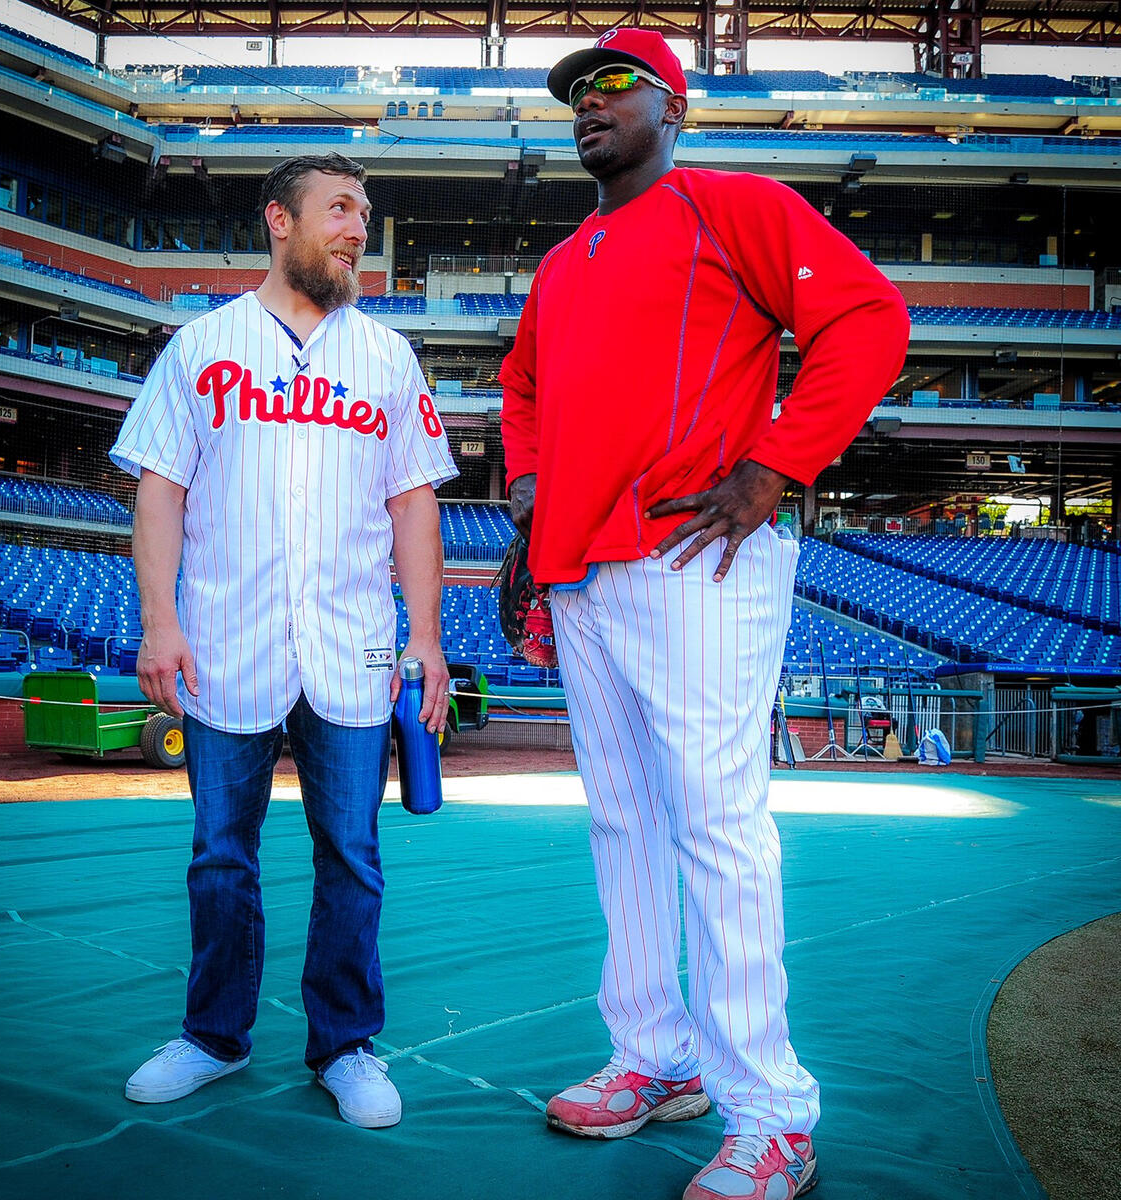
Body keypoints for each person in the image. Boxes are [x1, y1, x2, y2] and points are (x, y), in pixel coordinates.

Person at [499, 29, 910, 1200]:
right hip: (582, 570)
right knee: (624, 825)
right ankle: (654, 1054)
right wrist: (527, 497)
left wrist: (775, 465)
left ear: (671, 107)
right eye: (578, 91)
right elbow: (521, 389)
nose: (590, 103)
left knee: (716, 828)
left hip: (699, 559)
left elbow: (869, 319)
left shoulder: (735, 205)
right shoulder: (565, 257)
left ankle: (772, 1111)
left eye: (614, 84)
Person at [110, 152, 457, 1128]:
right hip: (226, 638)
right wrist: (160, 621)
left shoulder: (385, 356)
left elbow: (415, 504)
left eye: (366, 213)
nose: (358, 229)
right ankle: (213, 1038)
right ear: (279, 220)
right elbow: (160, 490)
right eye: (340, 209)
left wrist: (425, 637)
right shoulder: (204, 345)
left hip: (351, 644)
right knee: (222, 855)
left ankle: (345, 1045)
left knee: (351, 852)